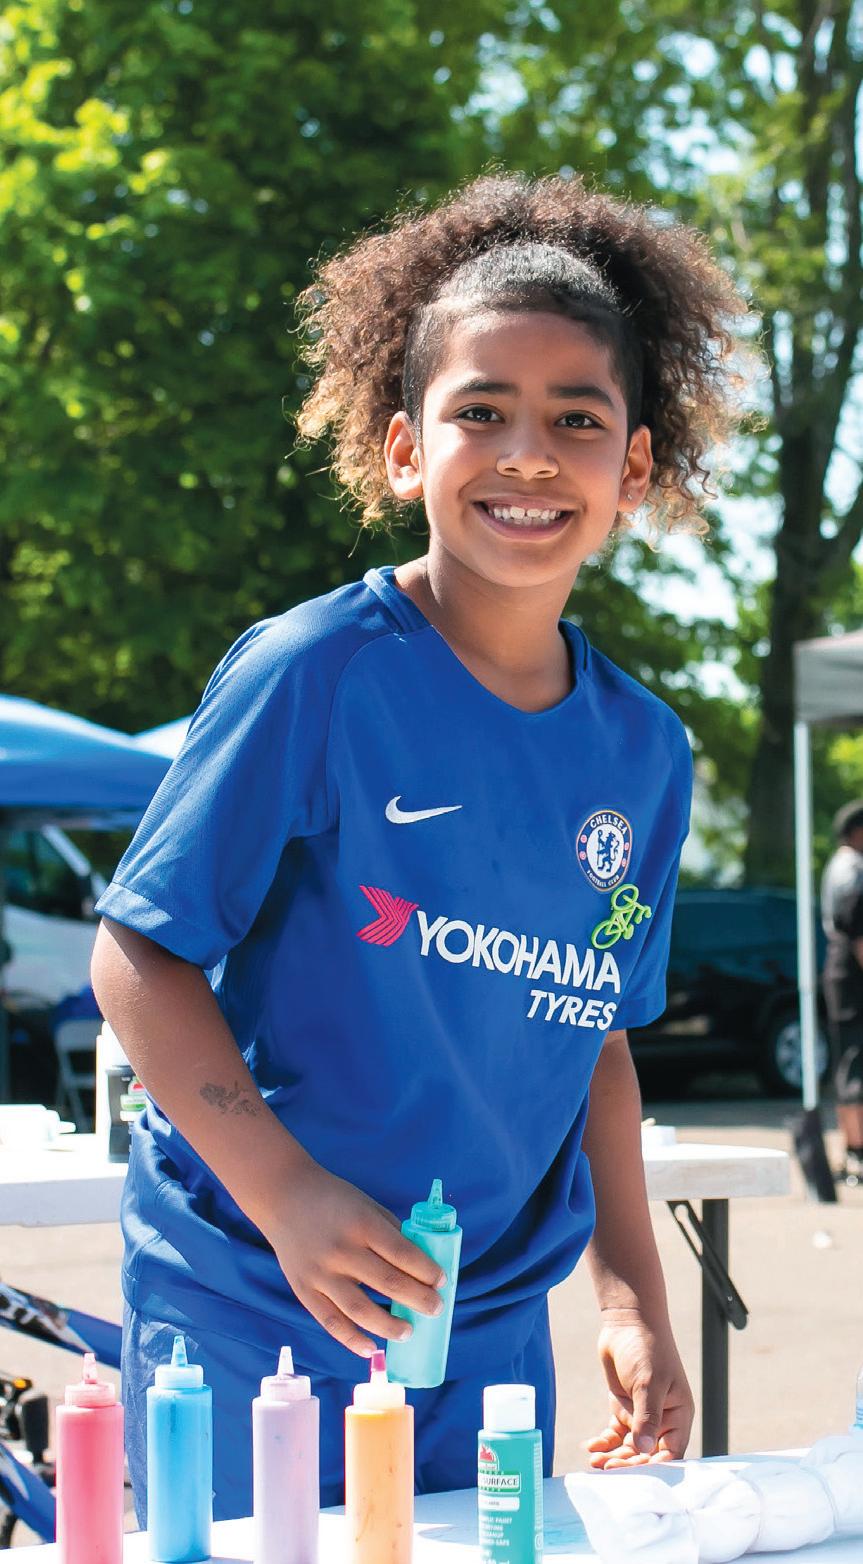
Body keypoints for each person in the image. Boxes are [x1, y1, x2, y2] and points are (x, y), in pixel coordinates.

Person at [90, 171, 752, 1521]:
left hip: (482, 1325)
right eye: (480, 412)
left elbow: (594, 1038)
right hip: (249, 1296)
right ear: (404, 450)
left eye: (576, 419)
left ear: (632, 467)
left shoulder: (644, 753)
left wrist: (628, 1295)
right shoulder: (314, 673)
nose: (528, 455)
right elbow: (136, 958)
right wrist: (286, 1195)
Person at [820, 800, 863, 1186]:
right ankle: (855, 1149)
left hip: (839, 971)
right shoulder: (854, 870)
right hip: (851, 975)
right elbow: (858, 932)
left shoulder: (839, 866)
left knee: (849, 1061)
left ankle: (852, 1148)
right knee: (854, 1062)